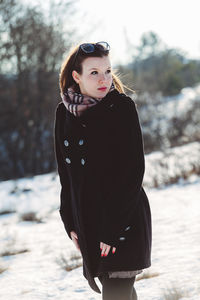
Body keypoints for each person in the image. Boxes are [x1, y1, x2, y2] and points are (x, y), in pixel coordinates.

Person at [54, 41, 152, 300]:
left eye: (108, 71)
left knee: (116, 293)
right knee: (121, 293)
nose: (104, 79)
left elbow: (132, 173)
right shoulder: (63, 114)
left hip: (124, 221)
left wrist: (113, 229)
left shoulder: (121, 108)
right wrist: (69, 219)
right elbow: (66, 174)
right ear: (77, 77)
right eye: (94, 73)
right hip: (90, 223)